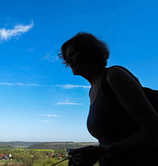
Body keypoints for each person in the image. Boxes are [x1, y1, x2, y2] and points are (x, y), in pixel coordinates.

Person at [59, 32, 158, 166]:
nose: (68, 60)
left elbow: (154, 131)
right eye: (66, 57)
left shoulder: (114, 76)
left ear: (89, 52)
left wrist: (103, 151)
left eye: (73, 54)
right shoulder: (92, 91)